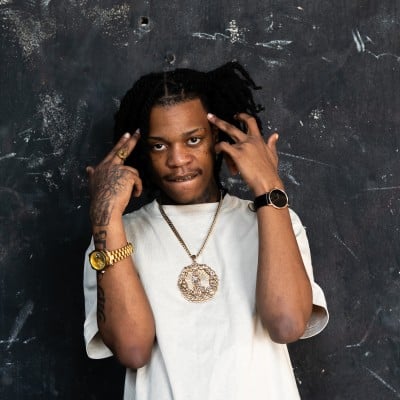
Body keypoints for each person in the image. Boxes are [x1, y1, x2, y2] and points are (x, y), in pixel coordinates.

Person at [83, 61, 328, 399]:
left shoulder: (270, 220)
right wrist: (105, 216)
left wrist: (269, 187)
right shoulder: (116, 235)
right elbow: (133, 350)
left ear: (217, 139)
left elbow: (286, 324)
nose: (178, 159)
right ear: (143, 153)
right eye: (159, 145)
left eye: (193, 139)